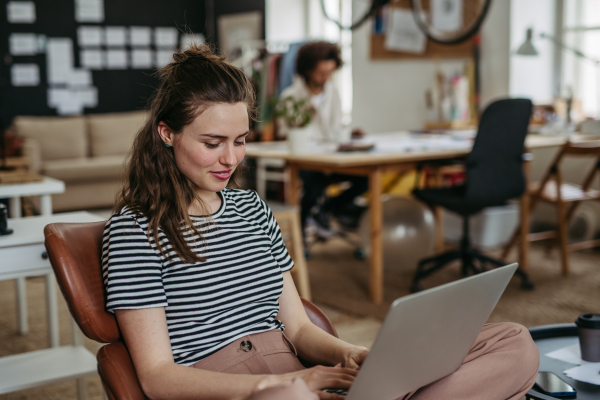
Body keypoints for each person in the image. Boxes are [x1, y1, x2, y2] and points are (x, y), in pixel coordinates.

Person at [102, 44, 539, 400]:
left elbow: (298, 329)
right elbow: (158, 377)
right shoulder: (134, 231)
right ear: (166, 133)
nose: (230, 160)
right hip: (245, 392)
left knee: (513, 342)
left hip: (303, 383)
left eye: (240, 141)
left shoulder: (252, 208)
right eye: (212, 143)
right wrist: (282, 385)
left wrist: (356, 355)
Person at [279, 41, 368, 235]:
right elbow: (286, 133)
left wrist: (350, 135)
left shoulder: (333, 93)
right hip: (307, 161)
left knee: (365, 179)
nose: (325, 77)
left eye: (329, 72)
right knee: (314, 185)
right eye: (321, 73)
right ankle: (300, 233)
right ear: (308, 70)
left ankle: (325, 209)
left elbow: (335, 128)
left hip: (332, 158)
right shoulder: (290, 96)